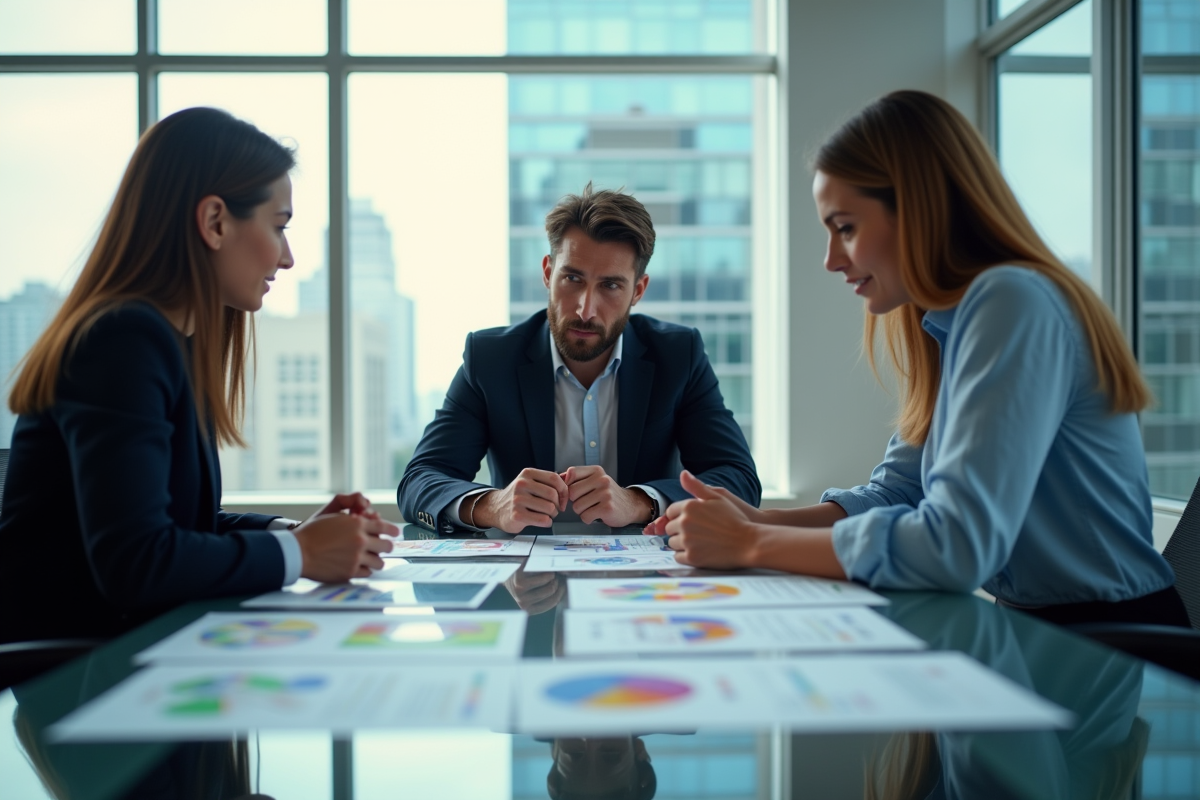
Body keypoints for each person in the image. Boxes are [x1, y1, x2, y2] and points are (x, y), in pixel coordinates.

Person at [651, 90, 1190, 628]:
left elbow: (955, 544)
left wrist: (751, 543)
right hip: (1034, 626)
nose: (831, 260)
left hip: (1114, 639)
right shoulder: (950, 323)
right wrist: (758, 520)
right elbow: (900, 492)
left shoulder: (1012, 302)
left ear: (917, 211)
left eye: (846, 228)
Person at [0, 107, 396, 644]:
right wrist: (300, 553)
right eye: (278, 227)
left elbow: (181, 525)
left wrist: (294, 534)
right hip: (75, 666)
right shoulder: (123, 341)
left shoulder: (168, 342)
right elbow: (137, 561)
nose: (287, 258)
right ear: (214, 222)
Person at [398, 183, 759, 534]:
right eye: (572, 278)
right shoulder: (491, 358)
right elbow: (420, 480)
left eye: (610, 285)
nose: (586, 310)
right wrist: (492, 506)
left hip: (646, 570)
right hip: (524, 570)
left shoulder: (679, 355)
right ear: (547, 273)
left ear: (638, 290)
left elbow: (738, 480)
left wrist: (639, 502)